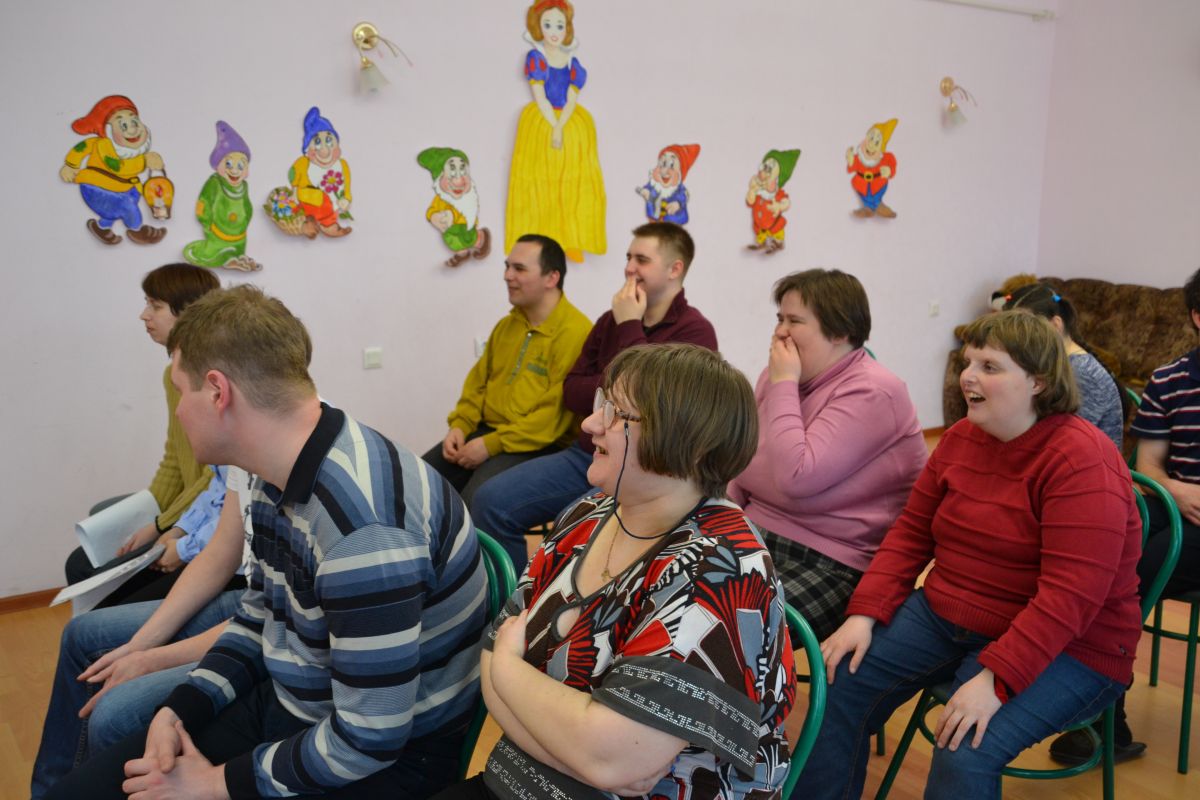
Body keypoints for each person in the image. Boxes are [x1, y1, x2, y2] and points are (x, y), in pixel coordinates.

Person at [47, 286, 488, 799]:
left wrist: (214, 784)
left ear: (218, 391)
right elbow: (261, 615)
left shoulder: (362, 533)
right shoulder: (276, 470)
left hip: (377, 761)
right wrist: (183, 706)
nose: (178, 411)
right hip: (301, 710)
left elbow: (368, 740)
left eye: (181, 392)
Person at [800, 311, 1143, 800]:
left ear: (1038, 382)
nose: (968, 376)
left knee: (965, 747)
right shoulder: (961, 438)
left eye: (990, 366)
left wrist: (997, 678)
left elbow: (1071, 595)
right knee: (837, 685)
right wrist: (864, 614)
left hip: (1074, 644)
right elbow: (911, 533)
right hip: (950, 615)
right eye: (968, 362)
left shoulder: (1081, 459)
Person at [433, 343, 796, 800]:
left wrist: (509, 670)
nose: (589, 424)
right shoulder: (588, 514)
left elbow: (611, 757)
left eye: (614, 412)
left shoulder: (721, 566)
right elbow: (493, 662)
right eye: (599, 403)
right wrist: (583, 754)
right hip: (522, 782)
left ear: (690, 443)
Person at [471, 222, 716, 571]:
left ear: (674, 269)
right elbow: (572, 392)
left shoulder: (695, 332)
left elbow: (655, 408)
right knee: (489, 501)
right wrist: (619, 385)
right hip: (585, 453)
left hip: (642, 466)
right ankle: (514, 596)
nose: (629, 268)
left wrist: (629, 327)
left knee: (571, 528)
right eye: (628, 257)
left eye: (642, 260)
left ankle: (557, 597)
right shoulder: (609, 321)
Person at [1050, 267, 1200, 765]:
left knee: (1134, 575)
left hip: (1186, 530)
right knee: (1105, 556)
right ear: (1197, 317)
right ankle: (1093, 707)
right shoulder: (1170, 379)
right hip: (1177, 505)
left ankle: (1099, 716)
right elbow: (1149, 466)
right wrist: (1178, 490)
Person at [727, 269, 926, 641]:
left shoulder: (874, 391)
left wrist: (784, 383)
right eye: (779, 319)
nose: (780, 332)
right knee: (668, 595)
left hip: (830, 560)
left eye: (795, 321)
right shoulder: (777, 377)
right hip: (755, 530)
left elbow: (796, 477)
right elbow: (740, 458)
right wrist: (719, 520)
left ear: (840, 332)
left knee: (731, 631)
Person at [31, 468, 252, 799]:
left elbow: (264, 619)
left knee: (113, 714)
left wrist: (151, 658)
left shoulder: (295, 470)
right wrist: (139, 646)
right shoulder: (240, 465)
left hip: (257, 617)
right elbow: (221, 551)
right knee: (82, 634)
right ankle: (51, 789)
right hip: (251, 604)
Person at [63, 264, 220, 601]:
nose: (144, 315)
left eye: (155, 306)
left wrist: (162, 524)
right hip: (186, 510)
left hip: (202, 517)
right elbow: (174, 459)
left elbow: (216, 477)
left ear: (188, 312)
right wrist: (148, 514)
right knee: (87, 552)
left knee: (87, 569)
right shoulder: (173, 372)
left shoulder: (213, 376)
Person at [423, 234, 591, 507]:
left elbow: (549, 419)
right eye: (507, 266)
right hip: (489, 432)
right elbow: (477, 385)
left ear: (552, 278)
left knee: (475, 503)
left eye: (519, 269)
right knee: (416, 483)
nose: (507, 275)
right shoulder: (506, 326)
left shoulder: (576, 332)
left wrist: (490, 445)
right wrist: (460, 425)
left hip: (539, 445)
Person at [505, 0, 606, 263]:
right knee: (540, 180)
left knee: (574, 181)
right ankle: (542, 240)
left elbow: (571, 98)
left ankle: (572, 238)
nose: (554, 31)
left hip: (569, 121)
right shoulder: (536, 58)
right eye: (547, 24)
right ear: (537, 27)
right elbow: (539, 96)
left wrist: (560, 127)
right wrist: (553, 125)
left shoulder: (573, 62)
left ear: (567, 29)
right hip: (541, 121)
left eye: (559, 25)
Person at [1004, 282, 1126, 448]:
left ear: (1055, 325)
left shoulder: (1081, 373)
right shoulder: (1049, 363)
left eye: (1025, 329)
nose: (1015, 339)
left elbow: (1066, 441)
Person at [59, 94, 167, 245]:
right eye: (123, 125)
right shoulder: (103, 146)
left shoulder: (134, 152)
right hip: (97, 188)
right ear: (107, 129)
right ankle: (138, 230)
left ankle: (101, 227)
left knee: (117, 209)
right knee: (127, 206)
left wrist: (151, 160)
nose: (132, 130)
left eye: (134, 121)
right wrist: (71, 165)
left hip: (124, 188)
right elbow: (115, 166)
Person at [636, 143, 699, 225]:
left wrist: (678, 204)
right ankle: (654, 219)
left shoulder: (679, 188)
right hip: (655, 216)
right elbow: (648, 188)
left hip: (672, 217)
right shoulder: (654, 184)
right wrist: (645, 191)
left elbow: (683, 197)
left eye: (671, 165)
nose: (664, 171)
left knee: (673, 220)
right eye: (662, 163)